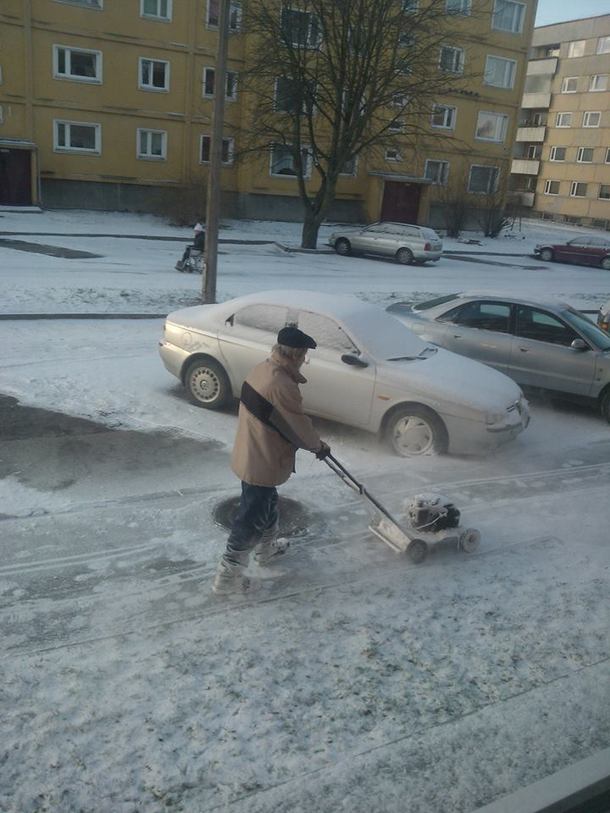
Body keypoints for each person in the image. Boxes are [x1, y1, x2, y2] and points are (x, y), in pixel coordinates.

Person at [213, 326, 331, 595]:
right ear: (297, 354)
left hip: (253, 451)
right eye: (304, 355)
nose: (304, 361)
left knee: (266, 504)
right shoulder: (282, 384)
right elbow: (298, 424)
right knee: (250, 518)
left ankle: (265, 552)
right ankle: (226, 574)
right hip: (262, 457)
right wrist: (317, 446)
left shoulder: (264, 369)